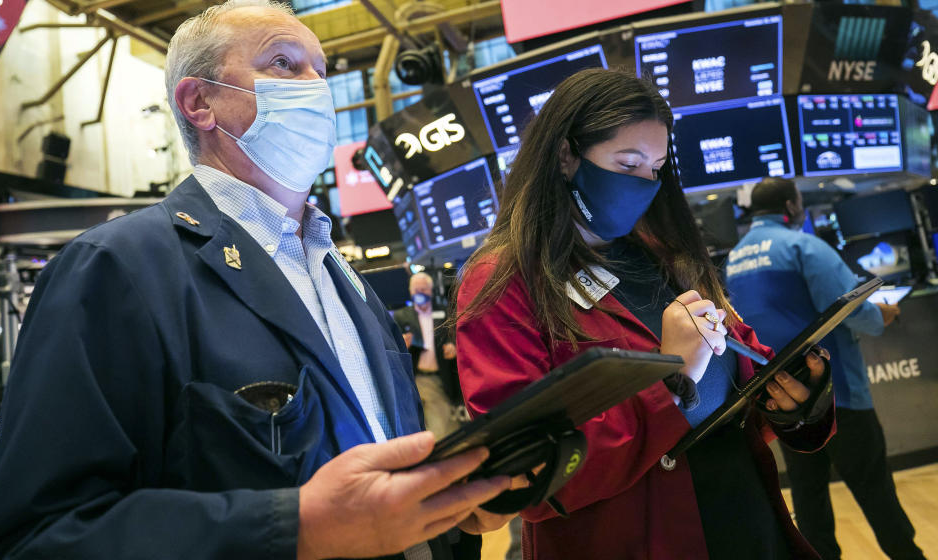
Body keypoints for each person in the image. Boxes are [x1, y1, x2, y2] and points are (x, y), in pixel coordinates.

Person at [0, 0, 513, 560]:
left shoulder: (340, 276)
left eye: (321, 70)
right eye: (283, 64)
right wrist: (295, 527)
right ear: (200, 101)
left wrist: (444, 509)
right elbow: (34, 536)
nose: (315, 87)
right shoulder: (116, 269)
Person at [454, 67, 836, 560]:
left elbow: (740, 364)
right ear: (566, 156)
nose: (644, 183)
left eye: (654, 168)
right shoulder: (504, 281)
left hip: (744, 523)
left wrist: (797, 398)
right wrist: (670, 380)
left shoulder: (665, 256)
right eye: (628, 163)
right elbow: (527, 472)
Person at [725, 177, 924, 560]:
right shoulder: (804, 246)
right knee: (875, 491)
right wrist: (884, 314)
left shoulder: (735, 259)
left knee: (809, 499)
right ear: (791, 205)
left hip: (782, 404)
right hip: (837, 395)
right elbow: (853, 312)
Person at [394, 272, 465, 439]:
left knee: (442, 423)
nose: (420, 292)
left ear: (431, 291)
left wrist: (453, 347)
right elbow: (392, 346)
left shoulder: (443, 312)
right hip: (414, 378)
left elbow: (454, 337)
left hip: (440, 376)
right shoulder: (402, 316)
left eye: (424, 289)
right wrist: (402, 344)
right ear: (411, 292)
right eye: (417, 289)